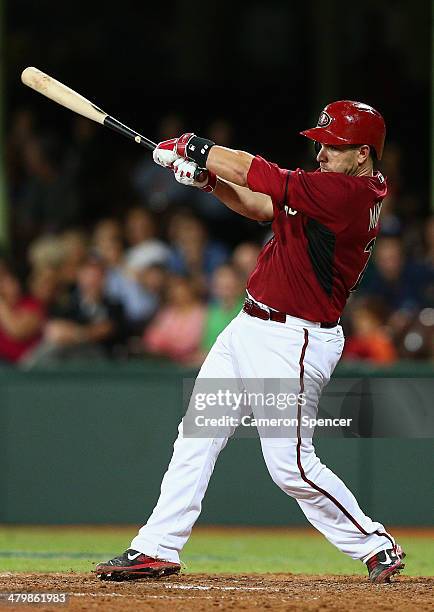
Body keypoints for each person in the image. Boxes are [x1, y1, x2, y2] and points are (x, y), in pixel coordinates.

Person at [96, 101, 405, 584]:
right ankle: (156, 547)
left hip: (294, 338)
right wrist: (208, 181)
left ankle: (375, 544)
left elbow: (258, 173)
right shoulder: (330, 188)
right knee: (197, 436)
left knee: (291, 467)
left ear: (363, 154)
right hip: (248, 326)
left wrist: (197, 148)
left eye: (333, 146)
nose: (320, 153)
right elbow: (260, 204)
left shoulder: (349, 194)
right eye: (319, 143)